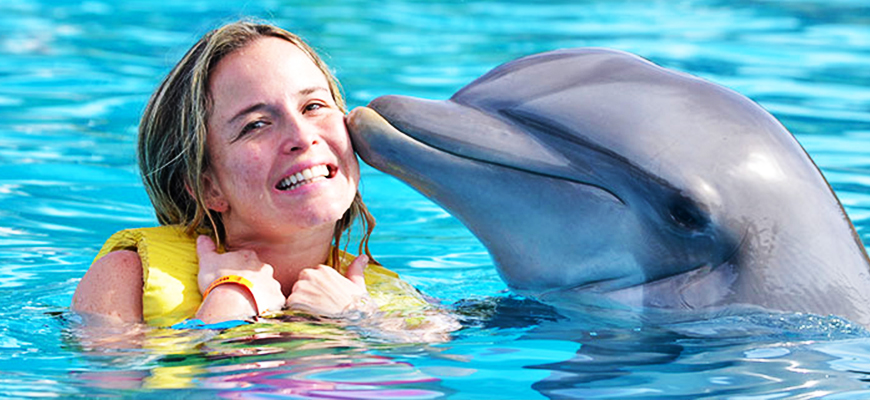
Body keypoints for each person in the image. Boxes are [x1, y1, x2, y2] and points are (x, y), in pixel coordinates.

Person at [71, 20, 450, 333]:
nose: (302, 137)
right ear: (208, 187)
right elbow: (112, 387)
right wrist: (227, 309)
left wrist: (358, 318)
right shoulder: (127, 277)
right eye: (255, 125)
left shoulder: (386, 299)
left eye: (314, 105)